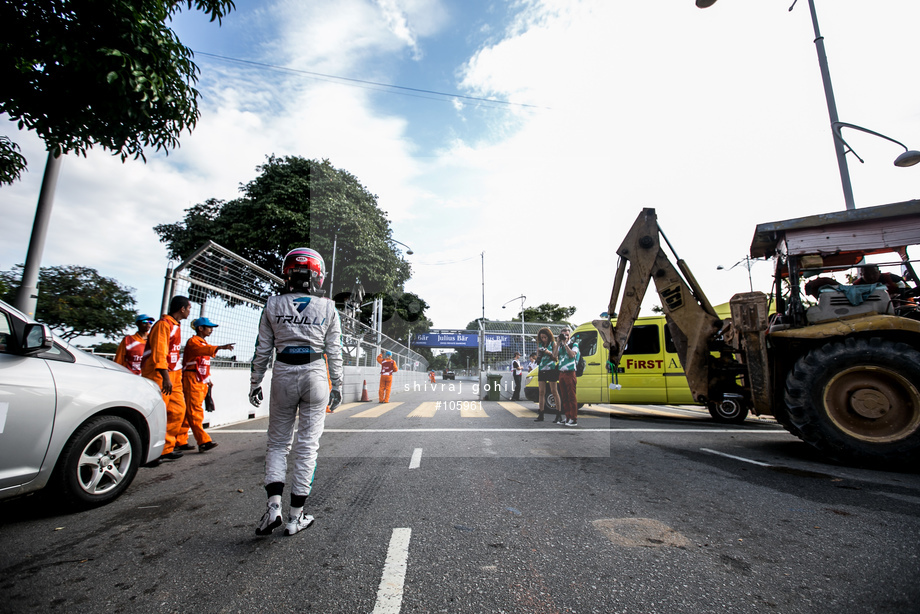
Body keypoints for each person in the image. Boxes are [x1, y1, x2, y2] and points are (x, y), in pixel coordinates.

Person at [249, 247, 343, 537]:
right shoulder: (328, 307)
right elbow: (335, 351)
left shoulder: (273, 304)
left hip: (283, 374)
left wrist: (254, 382)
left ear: (287, 273)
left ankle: (273, 508)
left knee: (278, 444)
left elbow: (262, 349)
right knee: (307, 447)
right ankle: (295, 518)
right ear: (318, 277)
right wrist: (337, 385)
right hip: (315, 374)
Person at [141, 296, 192, 461]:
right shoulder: (164, 325)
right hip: (161, 375)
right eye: (189, 308)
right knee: (157, 414)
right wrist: (165, 377)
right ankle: (150, 453)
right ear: (182, 309)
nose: (190, 311)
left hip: (174, 375)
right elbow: (159, 352)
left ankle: (165, 449)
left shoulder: (176, 325)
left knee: (178, 410)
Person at [175, 317, 234, 453]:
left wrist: (208, 379)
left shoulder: (203, 343)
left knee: (188, 412)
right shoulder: (193, 342)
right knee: (195, 411)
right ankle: (203, 441)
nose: (211, 329)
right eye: (209, 327)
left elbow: (203, 363)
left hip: (201, 380)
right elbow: (203, 351)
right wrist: (220, 347)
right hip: (192, 379)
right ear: (200, 328)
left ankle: (180, 440)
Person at [556, 327, 580, 426]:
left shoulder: (574, 345)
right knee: (564, 396)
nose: (565, 336)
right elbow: (554, 356)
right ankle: (567, 417)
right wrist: (558, 343)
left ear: (570, 335)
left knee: (571, 396)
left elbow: (571, 355)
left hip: (570, 372)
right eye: (563, 334)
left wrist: (565, 344)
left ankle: (573, 418)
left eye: (567, 334)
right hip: (561, 373)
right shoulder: (560, 346)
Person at [534, 327, 559, 422]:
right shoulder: (540, 344)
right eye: (542, 337)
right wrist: (538, 355)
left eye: (545, 337)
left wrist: (548, 353)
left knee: (554, 391)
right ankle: (541, 413)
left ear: (549, 336)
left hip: (551, 369)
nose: (543, 339)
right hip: (542, 368)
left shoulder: (553, 344)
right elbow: (538, 356)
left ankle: (558, 413)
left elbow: (555, 358)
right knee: (541, 392)